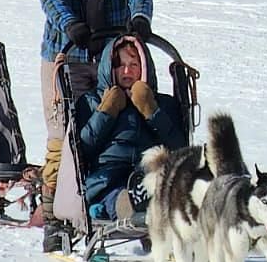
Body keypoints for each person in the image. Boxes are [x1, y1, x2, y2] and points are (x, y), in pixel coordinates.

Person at [34, 0, 153, 250]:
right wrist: (71, 24)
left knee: (117, 125)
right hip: (65, 54)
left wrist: (140, 17)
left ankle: (125, 202)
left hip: (110, 55)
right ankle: (55, 214)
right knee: (65, 135)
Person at [73, 35, 184, 223]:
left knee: (156, 188)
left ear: (144, 68)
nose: (127, 71)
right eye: (120, 64)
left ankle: (146, 209)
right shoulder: (91, 102)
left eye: (134, 64)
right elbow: (81, 150)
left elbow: (180, 147)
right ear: (109, 68)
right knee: (115, 195)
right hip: (107, 175)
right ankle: (127, 207)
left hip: (150, 172)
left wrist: (152, 111)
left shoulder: (163, 104)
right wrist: (106, 112)